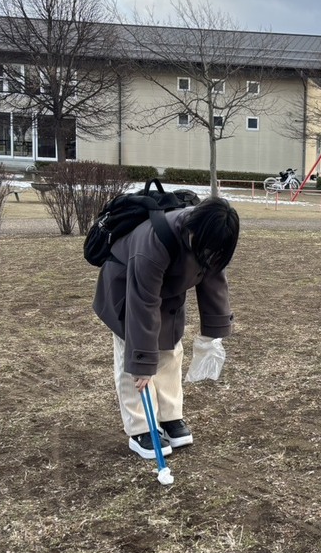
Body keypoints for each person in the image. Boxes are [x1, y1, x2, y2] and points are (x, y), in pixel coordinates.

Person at [92, 197, 239, 459]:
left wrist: (213, 335)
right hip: (126, 290)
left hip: (168, 293)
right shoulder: (152, 242)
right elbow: (142, 304)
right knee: (132, 359)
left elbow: (215, 282)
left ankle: (170, 416)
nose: (210, 256)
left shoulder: (212, 237)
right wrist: (142, 363)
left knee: (171, 349)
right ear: (193, 231)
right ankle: (140, 428)